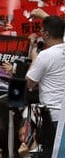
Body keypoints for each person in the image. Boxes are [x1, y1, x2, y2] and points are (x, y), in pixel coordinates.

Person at [28, 15, 65, 150]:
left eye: (42, 31)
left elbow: (29, 83)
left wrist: (34, 59)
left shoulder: (45, 55)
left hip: (53, 116)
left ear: (47, 34)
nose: (41, 34)